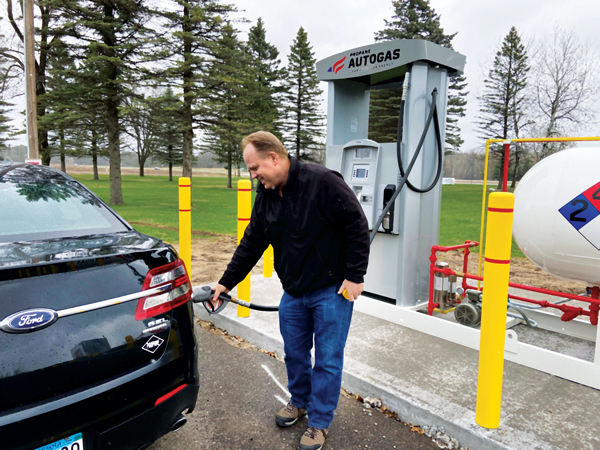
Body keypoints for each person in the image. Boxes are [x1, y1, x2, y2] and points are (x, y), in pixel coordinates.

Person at [210, 131, 369, 450]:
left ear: (274, 157)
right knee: (294, 353)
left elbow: (357, 225)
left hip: (332, 291)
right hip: (294, 292)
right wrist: (225, 282)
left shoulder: (323, 182)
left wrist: (354, 276)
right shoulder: (266, 194)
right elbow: (252, 241)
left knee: (327, 360)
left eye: (255, 168)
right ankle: (299, 401)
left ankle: (320, 422)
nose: (253, 175)